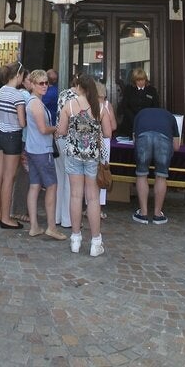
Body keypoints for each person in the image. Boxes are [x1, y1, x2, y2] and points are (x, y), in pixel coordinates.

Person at [56, 73, 112, 256]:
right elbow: (108, 133)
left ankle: (75, 239)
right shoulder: (101, 107)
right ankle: (96, 241)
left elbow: (62, 131)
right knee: (93, 198)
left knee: (75, 196)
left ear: (78, 87)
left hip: (73, 155)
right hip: (92, 156)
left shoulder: (69, 105)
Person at [25, 70, 66, 241]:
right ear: (33, 85)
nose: (44, 86)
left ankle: (34, 225)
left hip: (33, 148)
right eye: (40, 83)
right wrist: (56, 128)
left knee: (34, 186)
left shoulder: (34, 102)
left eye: (46, 83)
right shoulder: (35, 103)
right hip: (41, 149)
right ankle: (51, 227)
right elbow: (43, 129)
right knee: (51, 186)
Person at [0, 61, 27, 230]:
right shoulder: (18, 95)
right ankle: (6, 217)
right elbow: (21, 121)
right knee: (9, 177)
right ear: (18, 75)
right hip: (12, 136)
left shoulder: (1, 90)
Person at [131, 106, 180, 226]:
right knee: (161, 176)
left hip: (143, 137)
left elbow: (134, 140)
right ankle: (158, 215)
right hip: (164, 138)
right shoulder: (170, 116)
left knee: (142, 175)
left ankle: (143, 214)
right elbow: (176, 146)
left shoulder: (140, 113)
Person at [54, 77, 78, 229]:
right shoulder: (78, 99)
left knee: (59, 179)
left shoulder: (63, 94)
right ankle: (67, 218)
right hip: (70, 140)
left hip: (58, 138)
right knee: (70, 181)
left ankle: (56, 216)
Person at [10, 67, 31, 223]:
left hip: (20, 138)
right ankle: (18, 209)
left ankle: (16, 208)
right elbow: (24, 119)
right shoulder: (24, 95)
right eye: (29, 79)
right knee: (24, 175)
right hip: (23, 138)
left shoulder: (21, 94)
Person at [96, 82, 117, 218]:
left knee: (91, 173)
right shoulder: (108, 105)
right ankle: (99, 207)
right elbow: (114, 126)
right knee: (103, 172)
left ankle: (89, 205)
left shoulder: (90, 105)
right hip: (105, 142)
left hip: (93, 141)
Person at [119, 67, 160, 137]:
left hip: (147, 123)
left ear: (145, 79)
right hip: (130, 124)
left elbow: (155, 107)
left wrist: (145, 118)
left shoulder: (152, 90)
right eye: (138, 80)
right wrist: (134, 118)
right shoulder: (128, 89)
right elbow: (125, 106)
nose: (141, 82)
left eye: (142, 80)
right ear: (134, 81)